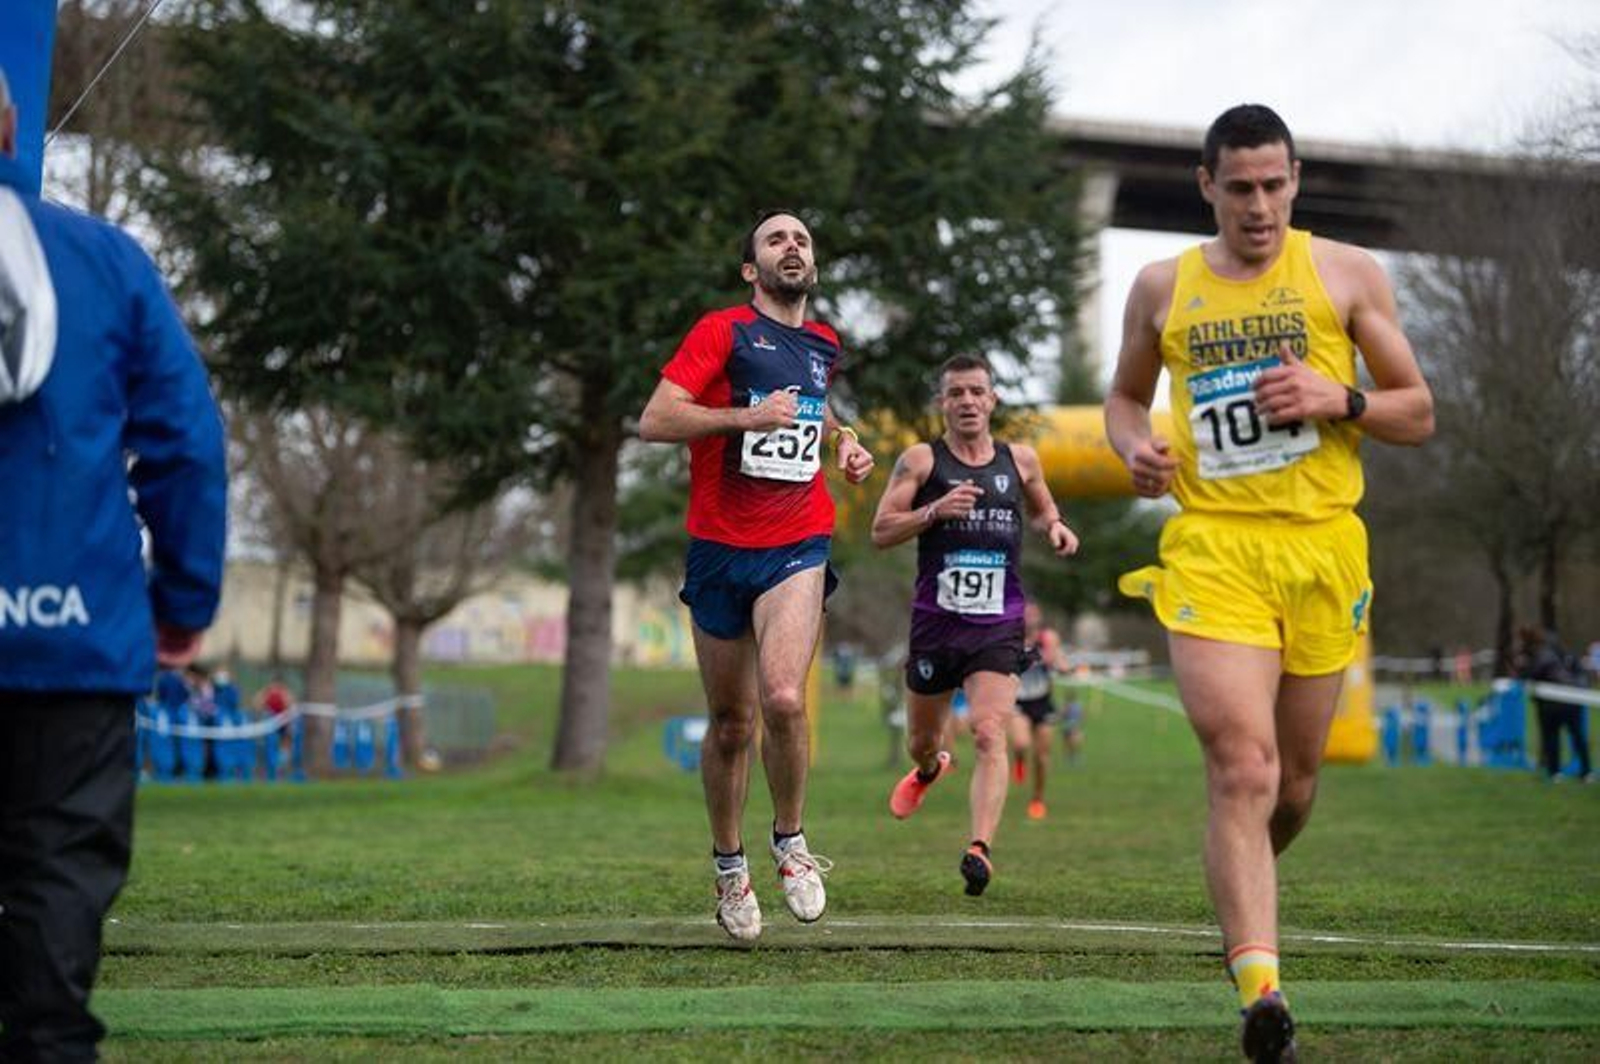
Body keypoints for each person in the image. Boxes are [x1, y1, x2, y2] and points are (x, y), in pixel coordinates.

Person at [1103, 104, 1433, 1062]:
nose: (1258, 205)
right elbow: (1126, 399)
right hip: (1215, 549)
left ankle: (1237, 892)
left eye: (1274, 184)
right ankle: (1262, 993)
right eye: (1239, 187)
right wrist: (1136, 449)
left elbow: (1418, 412)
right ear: (1207, 187)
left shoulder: (1346, 274)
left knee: (1291, 788)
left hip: (1325, 550)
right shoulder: (1164, 288)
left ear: (1296, 181)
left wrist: (1343, 398)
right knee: (1240, 768)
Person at [0, 66, 228, 1061]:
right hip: (71, 635)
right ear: (10, 127)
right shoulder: (104, 259)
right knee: (58, 881)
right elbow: (184, 445)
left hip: (78, 641)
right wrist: (182, 603)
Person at [638, 209, 875, 941]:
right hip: (717, 546)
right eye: (776, 239)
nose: (793, 246)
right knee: (733, 724)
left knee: (782, 695)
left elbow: (812, 407)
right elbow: (656, 419)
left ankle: (791, 842)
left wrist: (844, 441)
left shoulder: (824, 342)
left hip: (797, 538)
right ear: (752, 270)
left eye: (802, 238)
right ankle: (729, 865)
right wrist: (744, 421)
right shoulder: (723, 332)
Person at [871, 354, 1079, 896]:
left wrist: (1054, 525)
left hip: (998, 624)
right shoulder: (921, 461)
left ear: (993, 400)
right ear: (943, 403)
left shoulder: (1021, 460)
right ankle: (929, 768)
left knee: (990, 731)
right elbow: (881, 529)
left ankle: (979, 848)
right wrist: (933, 512)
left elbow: (1042, 506)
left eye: (976, 392)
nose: (967, 401)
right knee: (922, 739)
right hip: (936, 626)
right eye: (956, 393)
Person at [1009, 600, 1072, 820]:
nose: (1031, 617)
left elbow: (1061, 663)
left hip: (1042, 701)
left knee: (1042, 757)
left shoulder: (1048, 638)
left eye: (1034, 613)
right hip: (1017, 700)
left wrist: (1061, 665)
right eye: (1027, 613)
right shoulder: (1010, 637)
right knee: (1021, 743)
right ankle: (1018, 760)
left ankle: (1037, 799)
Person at [1518, 626, 1593, 782]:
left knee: (1554, 737)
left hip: (1554, 704)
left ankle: (1557, 772)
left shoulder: (1542, 655)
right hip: (1571, 699)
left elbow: (1529, 675)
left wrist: (1523, 666)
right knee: (1577, 736)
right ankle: (1585, 772)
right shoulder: (1563, 654)